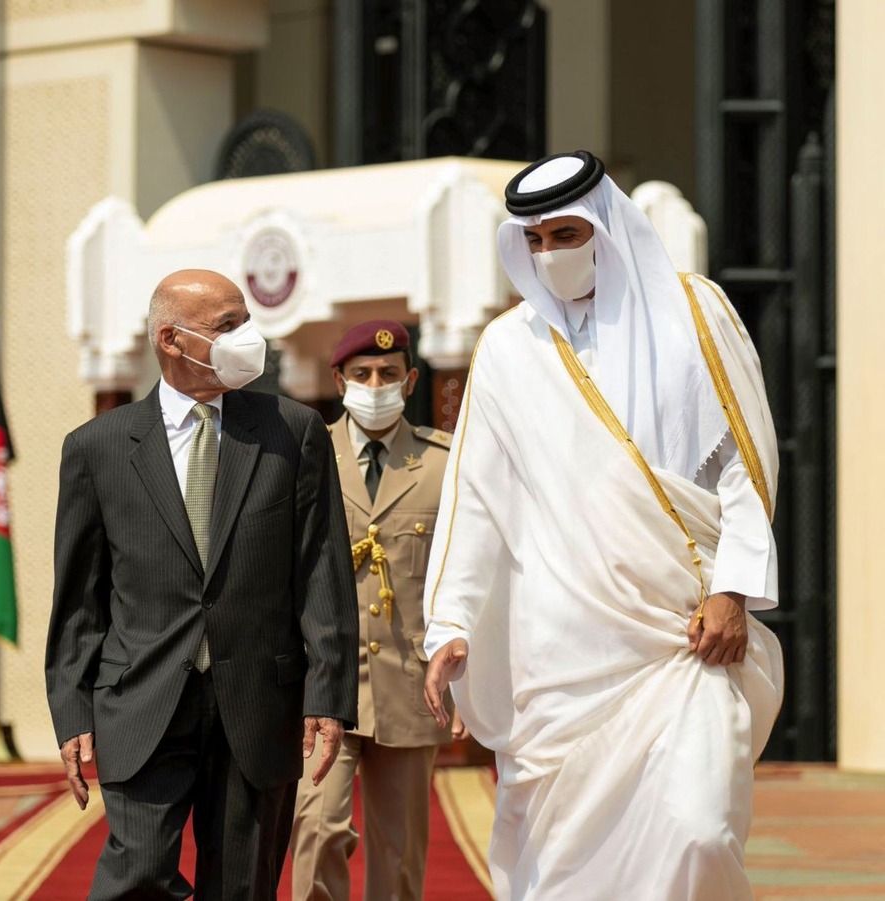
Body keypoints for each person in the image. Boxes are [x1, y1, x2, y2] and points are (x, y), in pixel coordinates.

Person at [422, 151, 784, 900]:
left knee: (700, 829)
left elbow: (748, 464)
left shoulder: (697, 315)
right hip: (559, 654)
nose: (550, 253)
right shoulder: (506, 349)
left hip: (681, 634)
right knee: (565, 866)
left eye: (566, 232)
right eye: (536, 241)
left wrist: (734, 589)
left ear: (606, 226)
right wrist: (450, 621)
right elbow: (476, 500)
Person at [45, 268, 359, 901]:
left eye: (245, 321)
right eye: (227, 326)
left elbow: (321, 572)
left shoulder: (292, 432)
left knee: (242, 886)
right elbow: (79, 599)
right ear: (171, 338)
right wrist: (72, 710)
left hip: (257, 701)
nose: (247, 337)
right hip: (140, 698)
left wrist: (328, 695)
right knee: (137, 878)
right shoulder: (97, 447)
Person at [290, 320, 461, 901]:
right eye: (362, 374)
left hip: (410, 683)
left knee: (399, 854)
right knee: (316, 828)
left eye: (389, 374)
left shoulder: (445, 464)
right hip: (323, 685)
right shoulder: (302, 456)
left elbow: (465, 577)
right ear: (339, 380)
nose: (376, 383)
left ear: (411, 381)